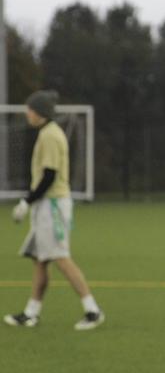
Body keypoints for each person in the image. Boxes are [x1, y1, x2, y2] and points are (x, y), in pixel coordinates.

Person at [6, 90, 105, 330]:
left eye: (30, 109)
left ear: (39, 112)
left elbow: (49, 175)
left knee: (60, 257)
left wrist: (25, 202)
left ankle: (92, 310)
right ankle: (31, 313)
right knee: (41, 260)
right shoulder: (47, 133)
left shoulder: (50, 135)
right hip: (46, 206)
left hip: (52, 206)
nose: (27, 113)